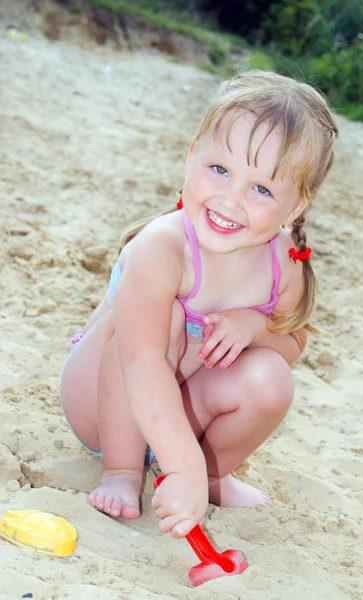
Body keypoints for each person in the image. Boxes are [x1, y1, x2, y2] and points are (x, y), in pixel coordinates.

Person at [60, 70, 338, 539]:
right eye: (220, 170)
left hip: (185, 413)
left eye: (262, 189)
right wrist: (180, 464)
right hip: (104, 405)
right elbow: (141, 360)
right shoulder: (163, 248)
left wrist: (255, 327)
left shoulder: (284, 262)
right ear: (192, 157)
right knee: (161, 320)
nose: (231, 200)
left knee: (272, 376)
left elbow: (293, 341)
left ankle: (210, 475)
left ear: (294, 208)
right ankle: (123, 472)